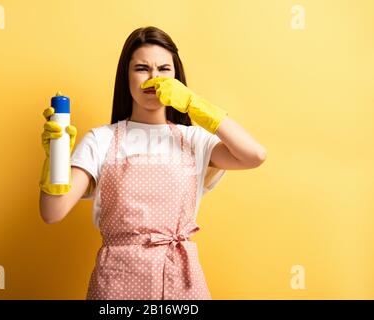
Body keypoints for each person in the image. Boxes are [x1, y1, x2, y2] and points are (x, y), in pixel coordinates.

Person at [39, 26, 267, 300]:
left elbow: (254, 155)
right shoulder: (100, 140)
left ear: (177, 78)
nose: (153, 78)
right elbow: (53, 213)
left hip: (182, 284)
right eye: (142, 68)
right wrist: (55, 156)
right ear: (127, 77)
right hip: (117, 285)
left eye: (164, 69)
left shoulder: (194, 139)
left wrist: (196, 105)